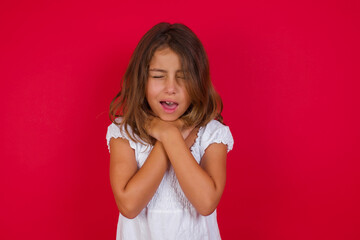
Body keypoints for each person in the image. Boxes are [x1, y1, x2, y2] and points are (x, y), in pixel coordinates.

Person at [106, 22, 234, 240]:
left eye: (183, 77)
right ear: (141, 80)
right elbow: (129, 205)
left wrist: (170, 135)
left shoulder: (212, 134)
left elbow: (206, 202)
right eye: (158, 76)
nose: (171, 87)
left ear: (198, 82)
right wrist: (169, 135)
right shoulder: (124, 133)